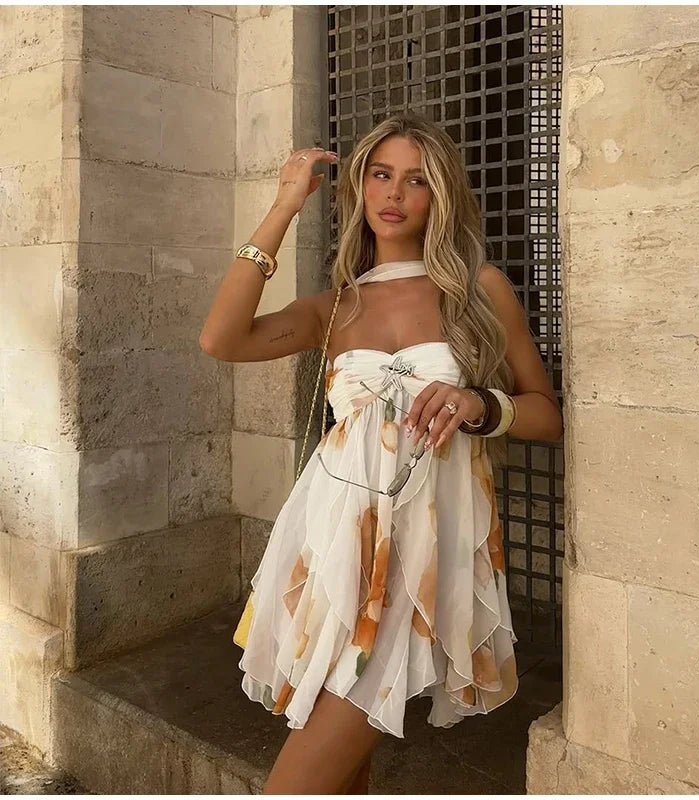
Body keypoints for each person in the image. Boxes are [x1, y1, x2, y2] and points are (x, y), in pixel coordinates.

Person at [199, 112, 563, 795]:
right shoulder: (333, 308)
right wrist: (284, 206)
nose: (394, 193)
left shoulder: (478, 289)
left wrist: (481, 403)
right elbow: (221, 339)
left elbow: (546, 414)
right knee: (343, 775)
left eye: (416, 180)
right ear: (360, 187)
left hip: (425, 547)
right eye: (381, 174)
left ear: (440, 195)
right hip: (336, 542)